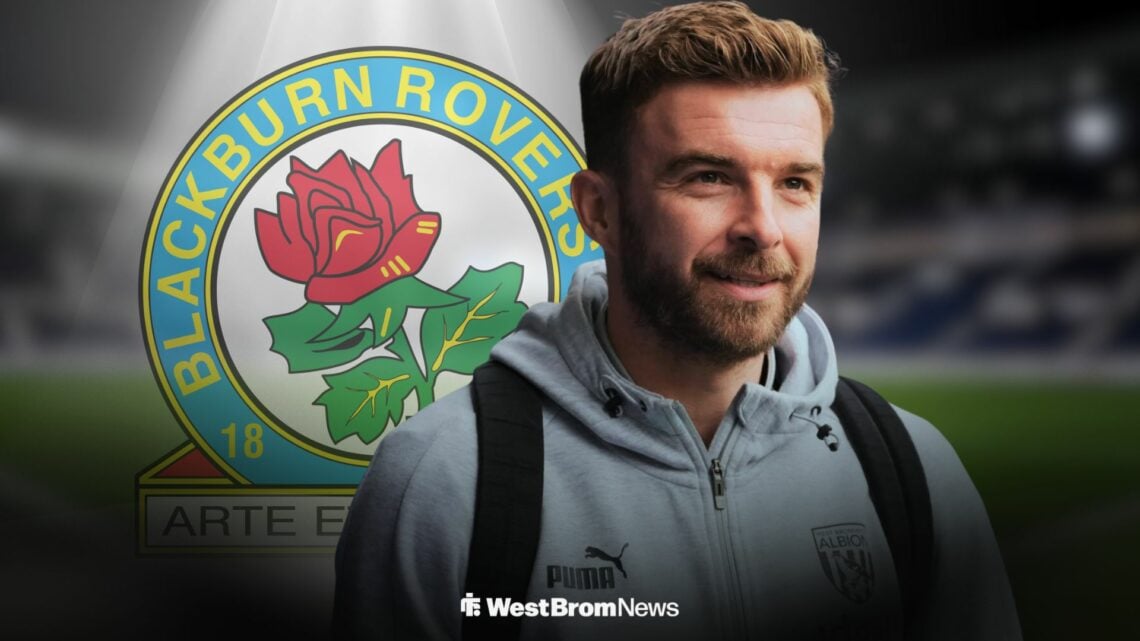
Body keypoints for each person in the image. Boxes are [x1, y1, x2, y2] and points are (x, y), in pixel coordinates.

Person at [333, 2, 1021, 639]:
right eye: (708, 178)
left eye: (794, 183)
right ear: (599, 210)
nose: (762, 228)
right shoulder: (445, 480)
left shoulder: (915, 471)